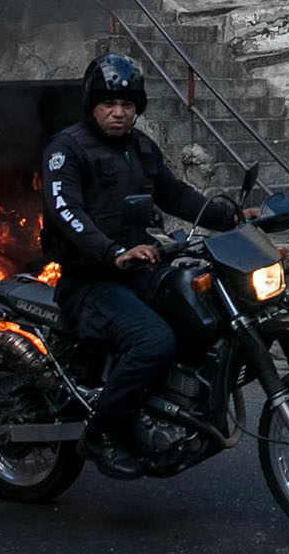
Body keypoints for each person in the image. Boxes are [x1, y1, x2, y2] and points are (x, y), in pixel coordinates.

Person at [40, 54, 258, 480]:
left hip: (139, 271)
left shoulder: (141, 148)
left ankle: (177, 410)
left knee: (200, 318)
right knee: (153, 340)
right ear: (91, 105)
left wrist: (231, 217)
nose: (118, 111)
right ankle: (102, 433)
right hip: (90, 280)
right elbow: (66, 211)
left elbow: (175, 195)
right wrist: (110, 252)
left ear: (138, 107)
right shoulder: (65, 150)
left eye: (127, 104)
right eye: (108, 103)